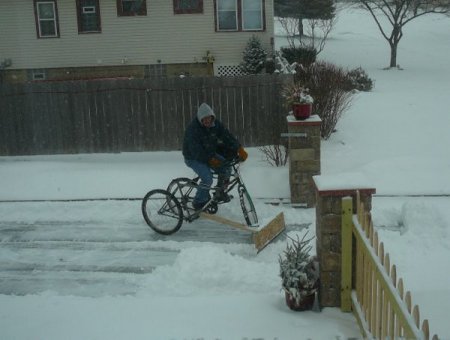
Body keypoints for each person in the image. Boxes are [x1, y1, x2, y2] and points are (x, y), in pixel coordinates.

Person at [182, 103, 248, 210]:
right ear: (200, 119)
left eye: (209, 119)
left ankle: (220, 192)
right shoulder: (193, 129)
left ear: (212, 117)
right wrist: (210, 160)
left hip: (209, 153)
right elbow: (195, 150)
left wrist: (239, 148)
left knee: (226, 167)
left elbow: (227, 136)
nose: (208, 122)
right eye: (205, 120)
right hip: (193, 158)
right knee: (207, 178)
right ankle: (198, 201)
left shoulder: (216, 124)